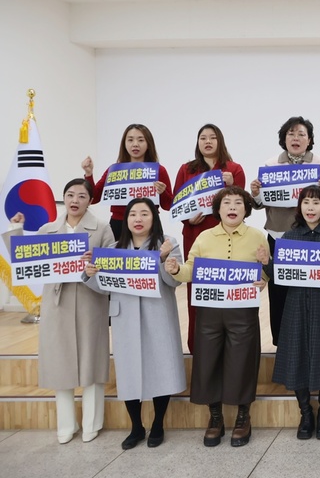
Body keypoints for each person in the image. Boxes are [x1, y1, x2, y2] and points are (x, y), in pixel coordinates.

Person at [4, 178, 114, 444]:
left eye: (81, 196)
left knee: (92, 364)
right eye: (70, 195)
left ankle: (92, 423)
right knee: (60, 365)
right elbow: (24, 257)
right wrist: (16, 228)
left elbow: (112, 263)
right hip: (57, 304)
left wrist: (95, 262)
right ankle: (66, 425)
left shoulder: (101, 228)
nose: (75, 200)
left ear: (90, 200)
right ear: (63, 198)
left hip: (90, 302)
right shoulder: (49, 229)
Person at [165, 186, 270, 448]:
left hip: (242, 310)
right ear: (218, 209)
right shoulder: (203, 237)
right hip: (209, 311)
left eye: (238, 203)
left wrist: (264, 275)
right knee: (208, 360)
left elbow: (265, 272)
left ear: (246, 208)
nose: (232, 207)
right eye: (227, 203)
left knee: (243, 361)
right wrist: (177, 269)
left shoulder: (258, 236)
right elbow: (191, 269)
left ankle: (243, 416)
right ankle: (215, 417)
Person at [83, 198, 185, 450]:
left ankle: (158, 424)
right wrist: (89, 273)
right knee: (129, 373)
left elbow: (174, 282)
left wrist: (164, 261)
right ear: (126, 220)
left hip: (157, 314)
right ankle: (136, 427)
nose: (138, 219)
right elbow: (100, 287)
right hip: (124, 317)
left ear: (154, 218)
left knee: (161, 368)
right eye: (133, 215)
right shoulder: (114, 249)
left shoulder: (167, 244)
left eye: (144, 214)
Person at [264, 185, 320, 441]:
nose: (310, 208)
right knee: (296, 352)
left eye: (316, 203)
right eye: (306, 203)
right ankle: (305, 412)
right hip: (296, 303)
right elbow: (279, 276)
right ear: (299, 207)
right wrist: (266, 262)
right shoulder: (288, 238)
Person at [250, 116, 320, 348]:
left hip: (311, 239)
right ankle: (283, 344)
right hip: (278, 236)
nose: (295, 138)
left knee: (311, 293)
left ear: (309, 140)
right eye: (291, 134)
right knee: (279, 294)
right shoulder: (270, 166)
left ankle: (312, 341)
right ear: (283, 138)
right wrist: (255, 192)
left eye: (301, 134)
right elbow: (258, 204)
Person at [174, 123, 245, 354]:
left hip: (228, 238)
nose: (207, 141)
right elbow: (177, 204)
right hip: (195, 235)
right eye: (202, 137)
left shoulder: (233, 169)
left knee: (225, 286)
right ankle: (197, 346)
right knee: (196, 287)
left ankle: (228, 343)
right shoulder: (187, 169)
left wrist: (232, 185)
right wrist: (187, 220)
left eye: (212, 137)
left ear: (220, 141)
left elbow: (244, 203)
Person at [81, 124, 173, 240]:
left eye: (140, 140)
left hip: (148, 225)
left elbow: (168, 205)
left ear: (148, 144)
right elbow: (94, 198)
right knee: (117, 258)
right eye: (130, 140)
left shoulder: (158, 170)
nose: (135, 144)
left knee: (148, 258)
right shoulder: (115, 170)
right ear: (124, 144)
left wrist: (162, 192)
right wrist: (89, 174)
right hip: (118, 224)